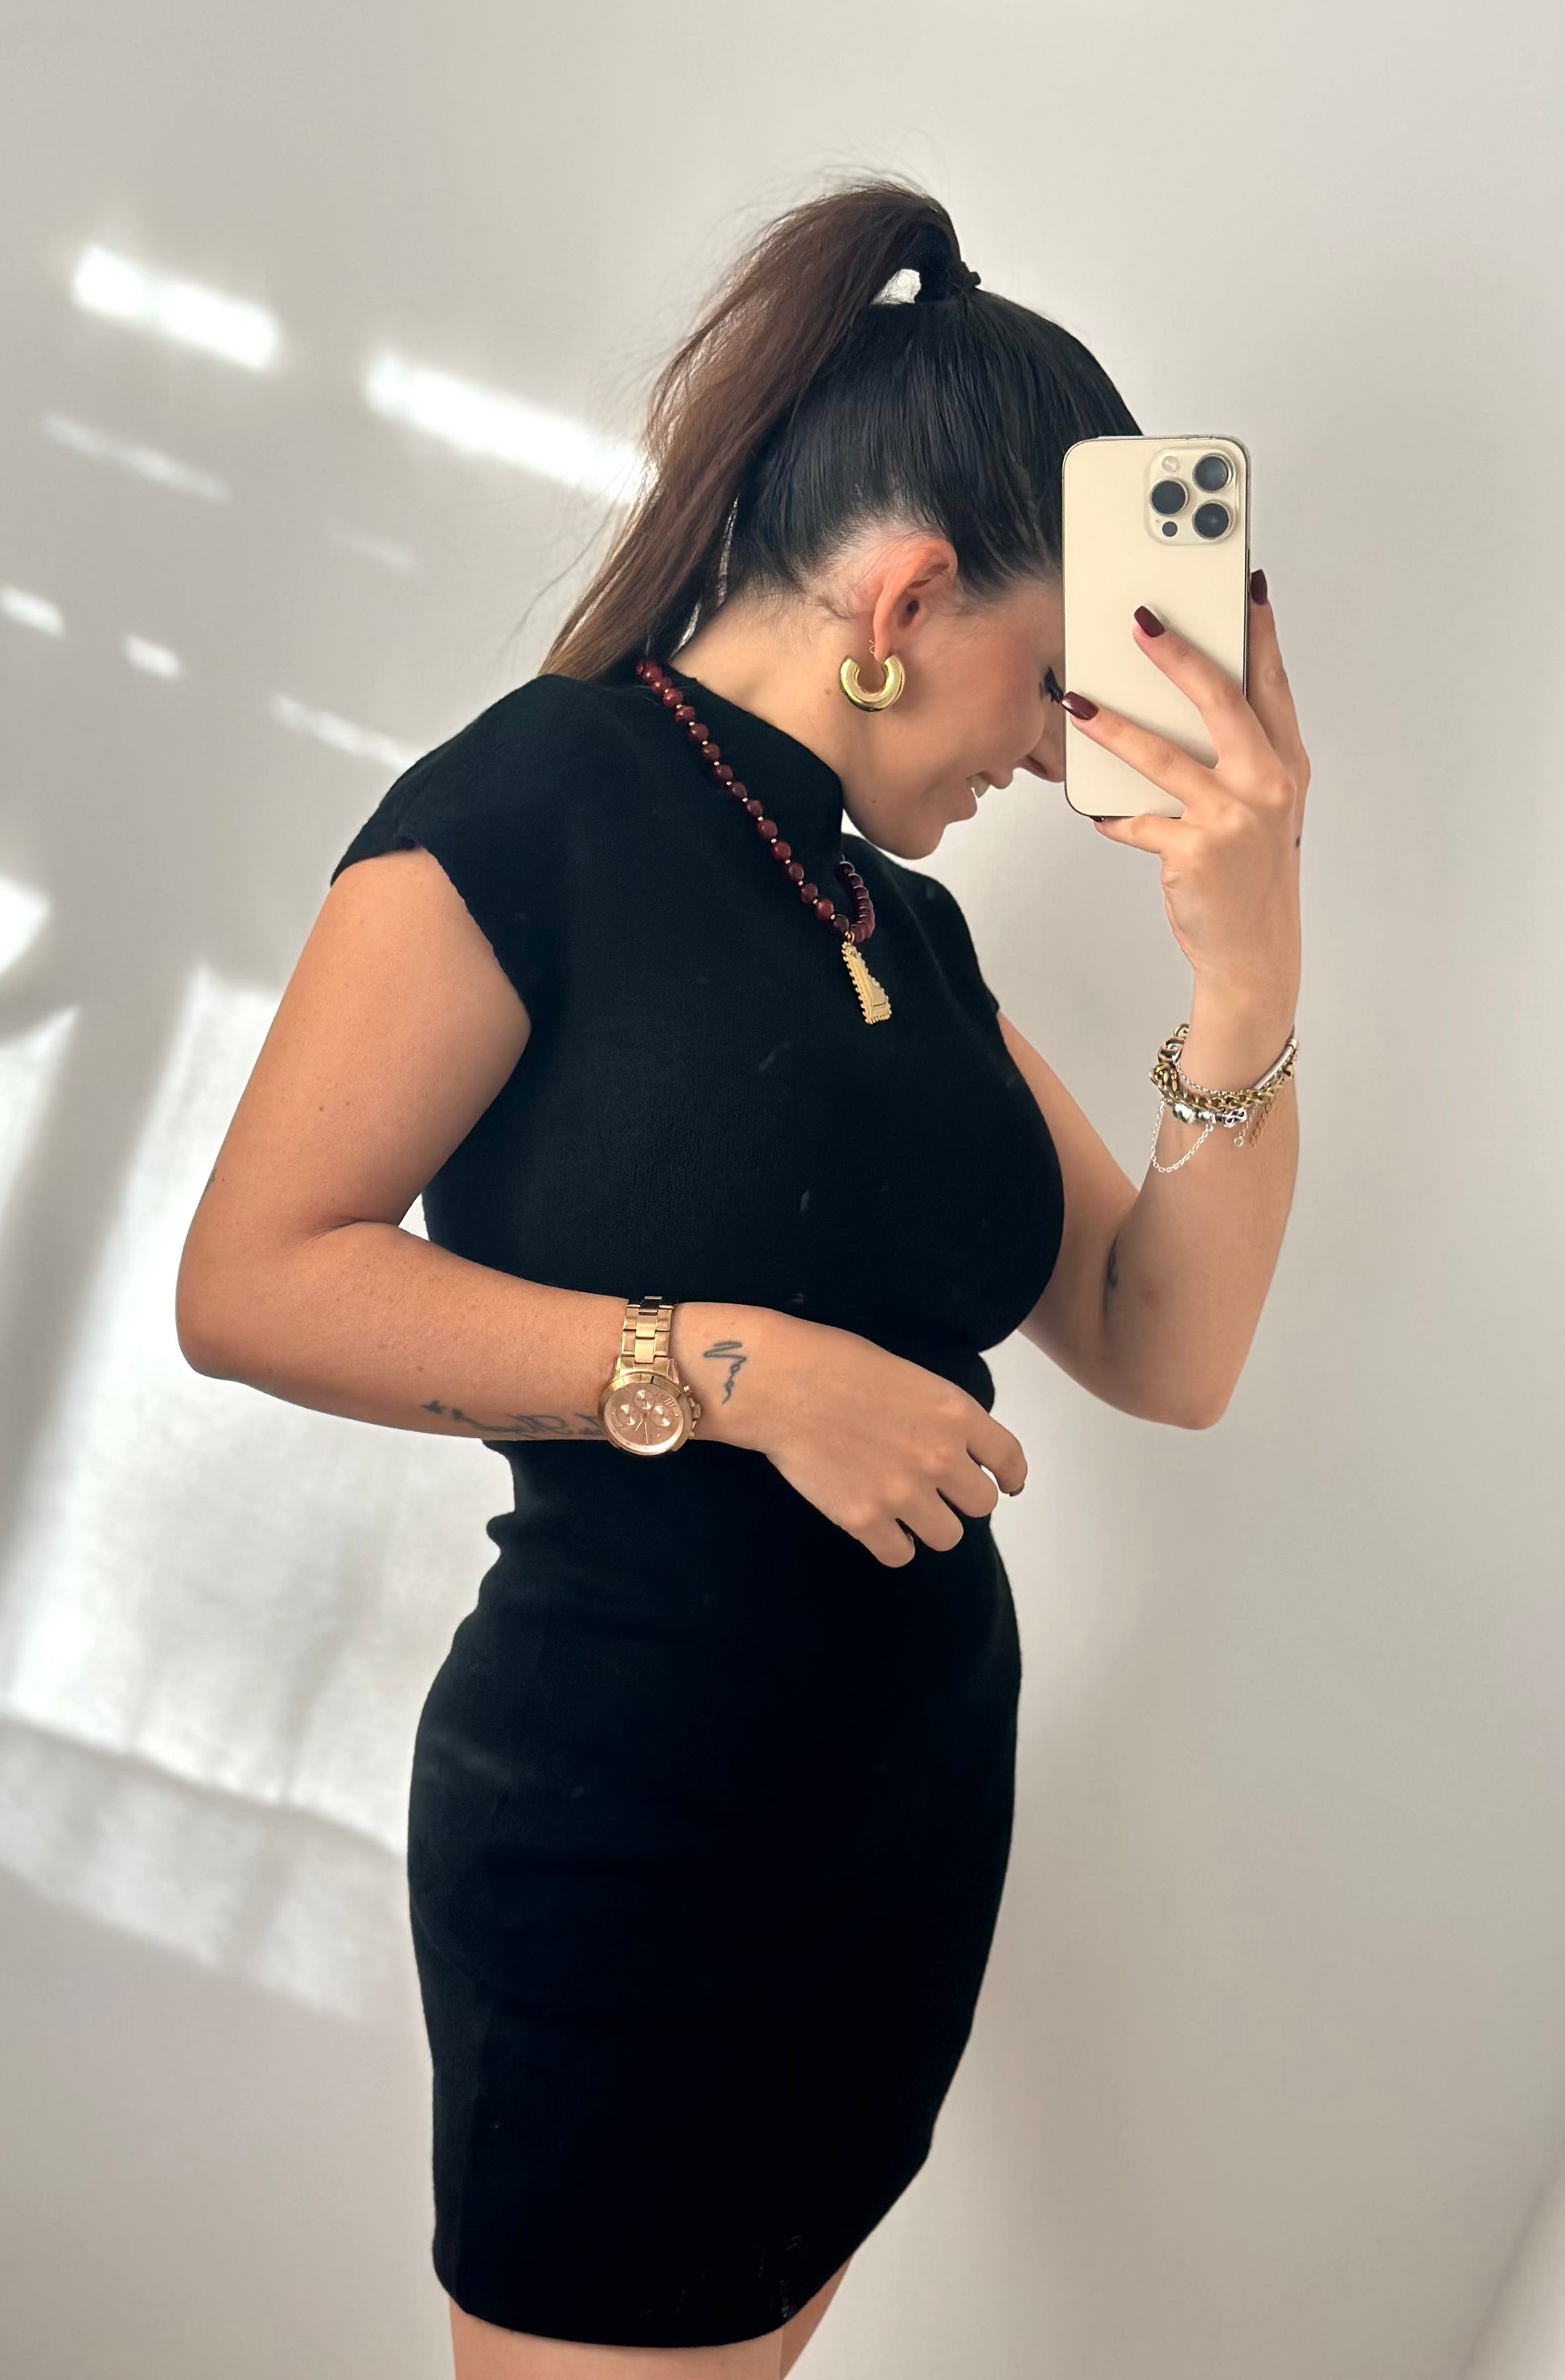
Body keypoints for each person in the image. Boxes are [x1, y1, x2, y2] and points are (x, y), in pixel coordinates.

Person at [176, 176, 1306, 2380]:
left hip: (886, 1854)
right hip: (635, 1851)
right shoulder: (543, 797)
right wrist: (733, 1368)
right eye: (1045, 678)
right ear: (907, 594)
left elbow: (1161, 1340)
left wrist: (1248, 962)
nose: (1048, 747)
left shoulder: (902, 924)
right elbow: (255, 1279)